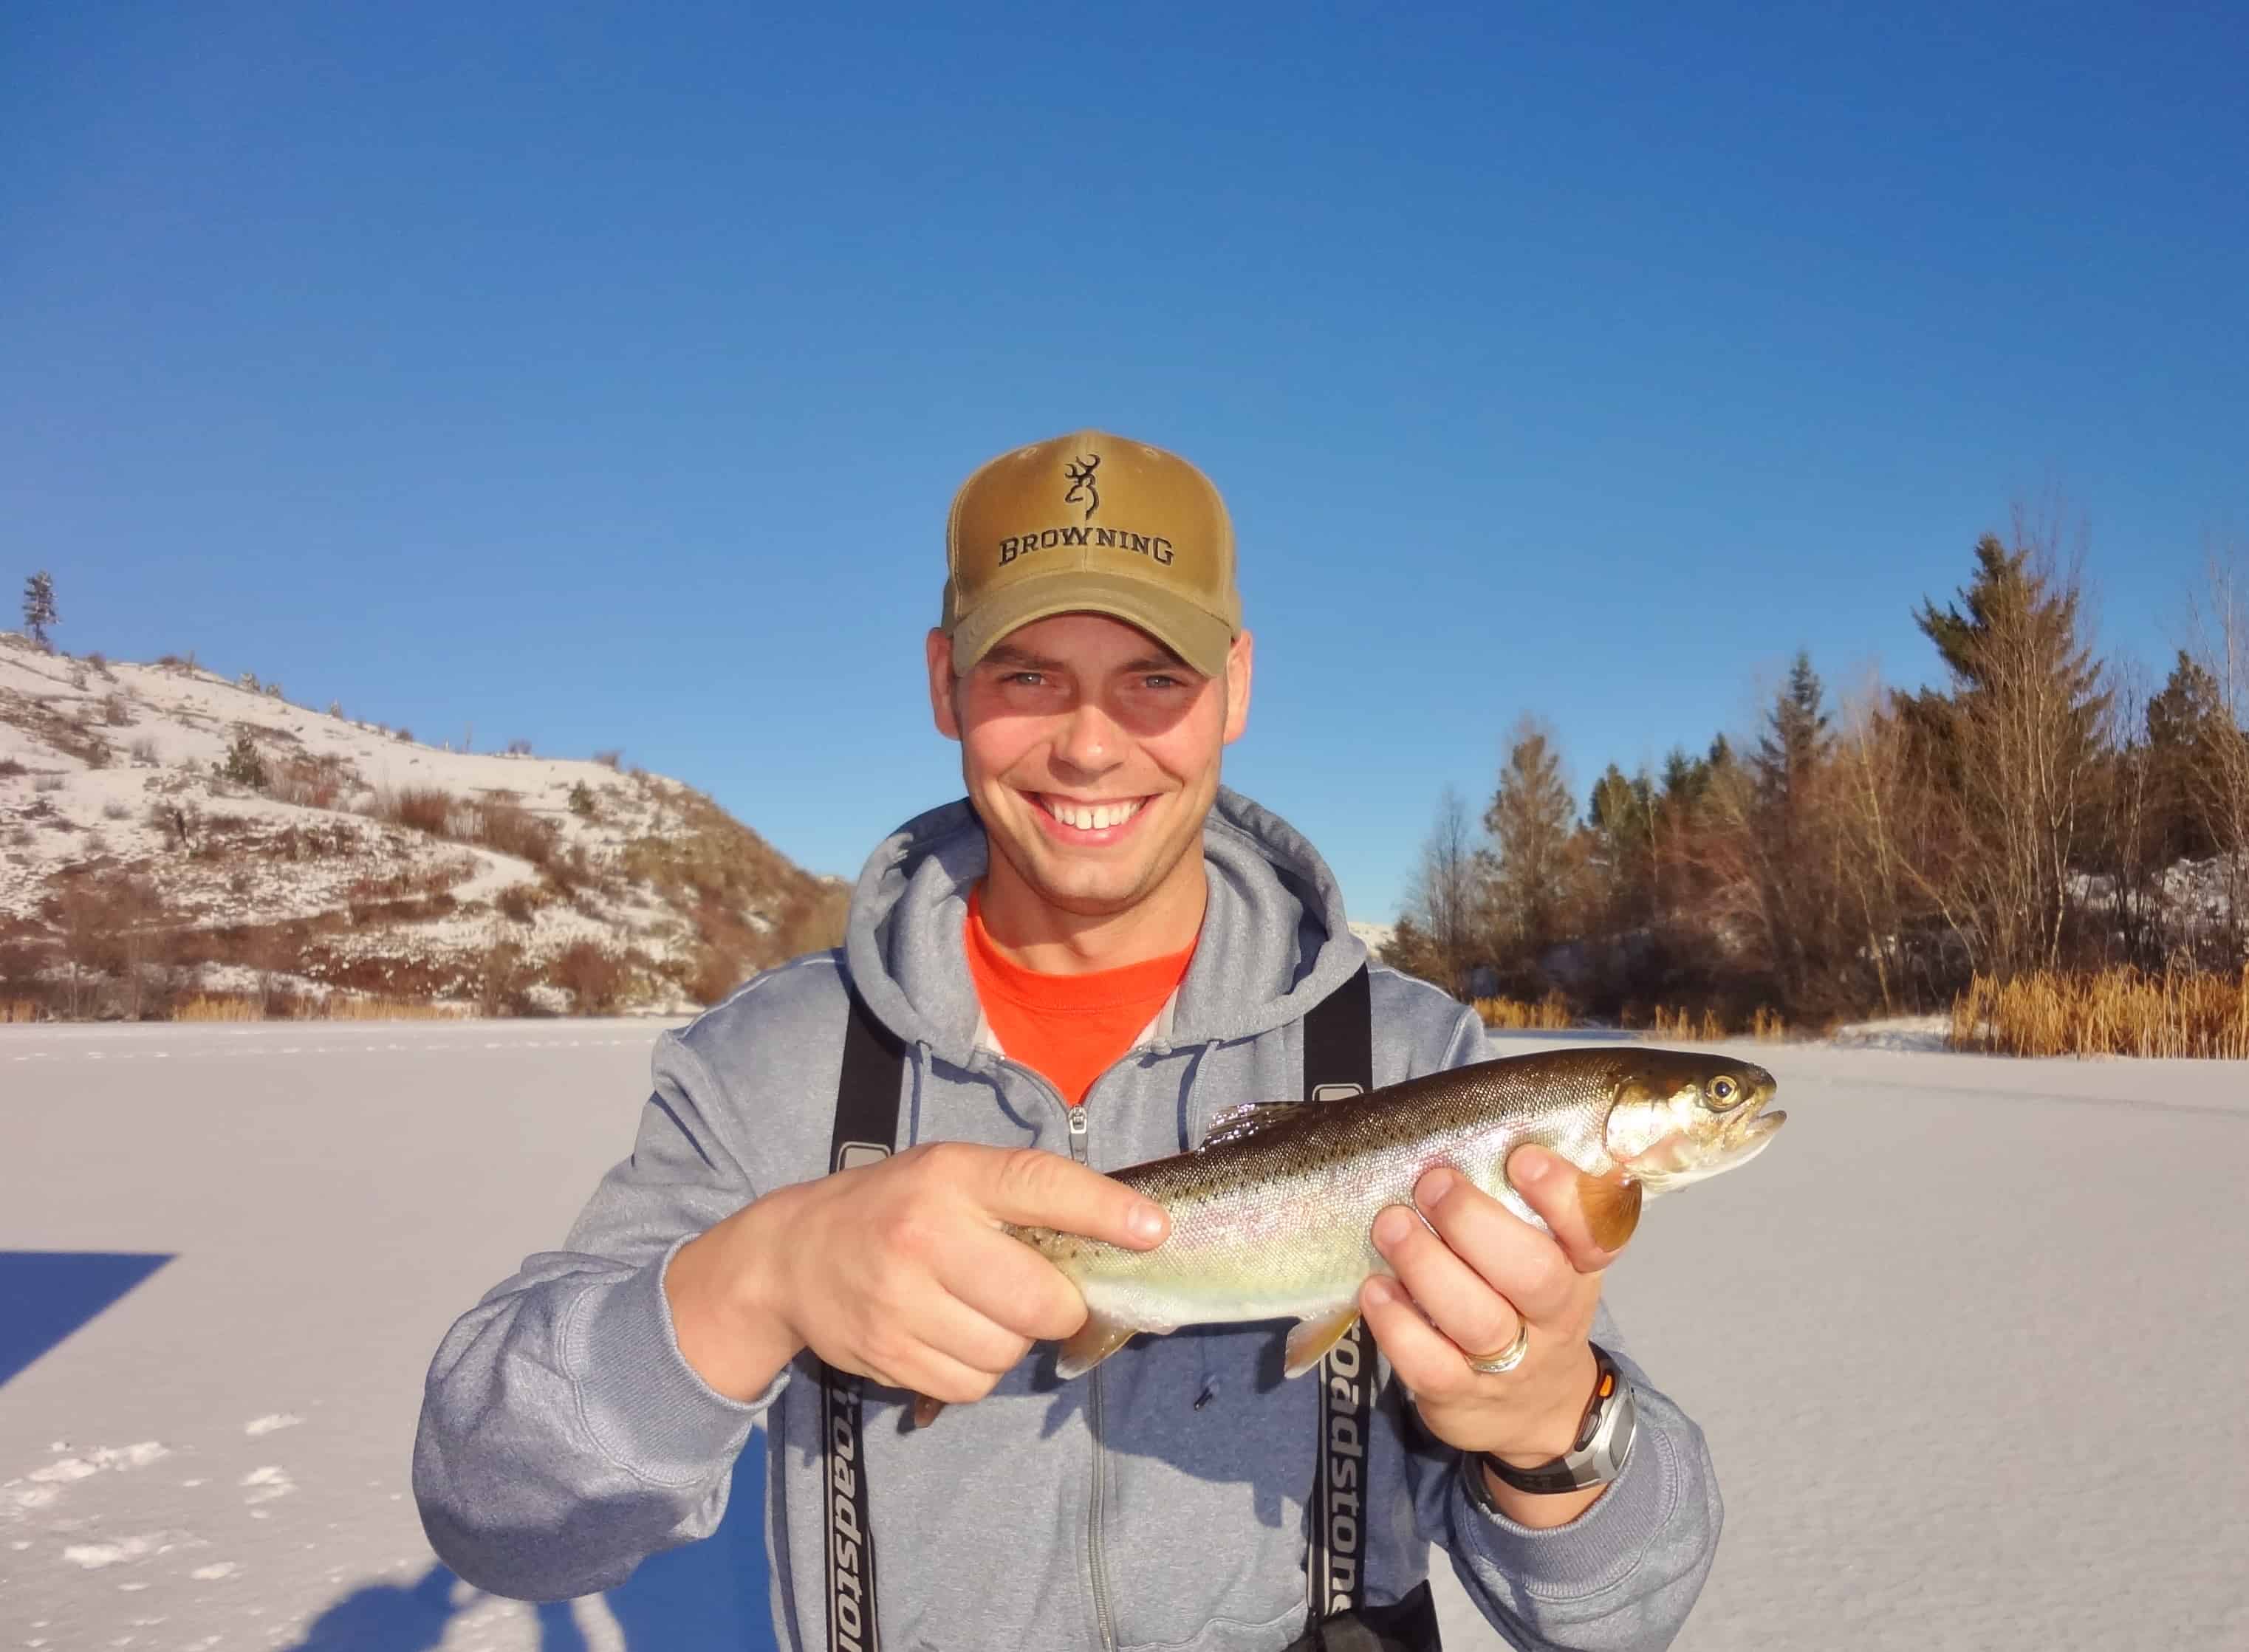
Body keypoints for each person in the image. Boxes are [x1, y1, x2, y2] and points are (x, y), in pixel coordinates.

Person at [413, 432, 1722, 1651]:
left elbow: (1622, 1615)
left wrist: (1552, 1428)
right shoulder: (770, 1067)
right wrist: (755, 1281)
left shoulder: (1423, 1060)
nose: (1091, 746)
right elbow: (499, 1512)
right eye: (1028, 675)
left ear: (1234, 687)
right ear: (945, 682)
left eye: (1154, 679)